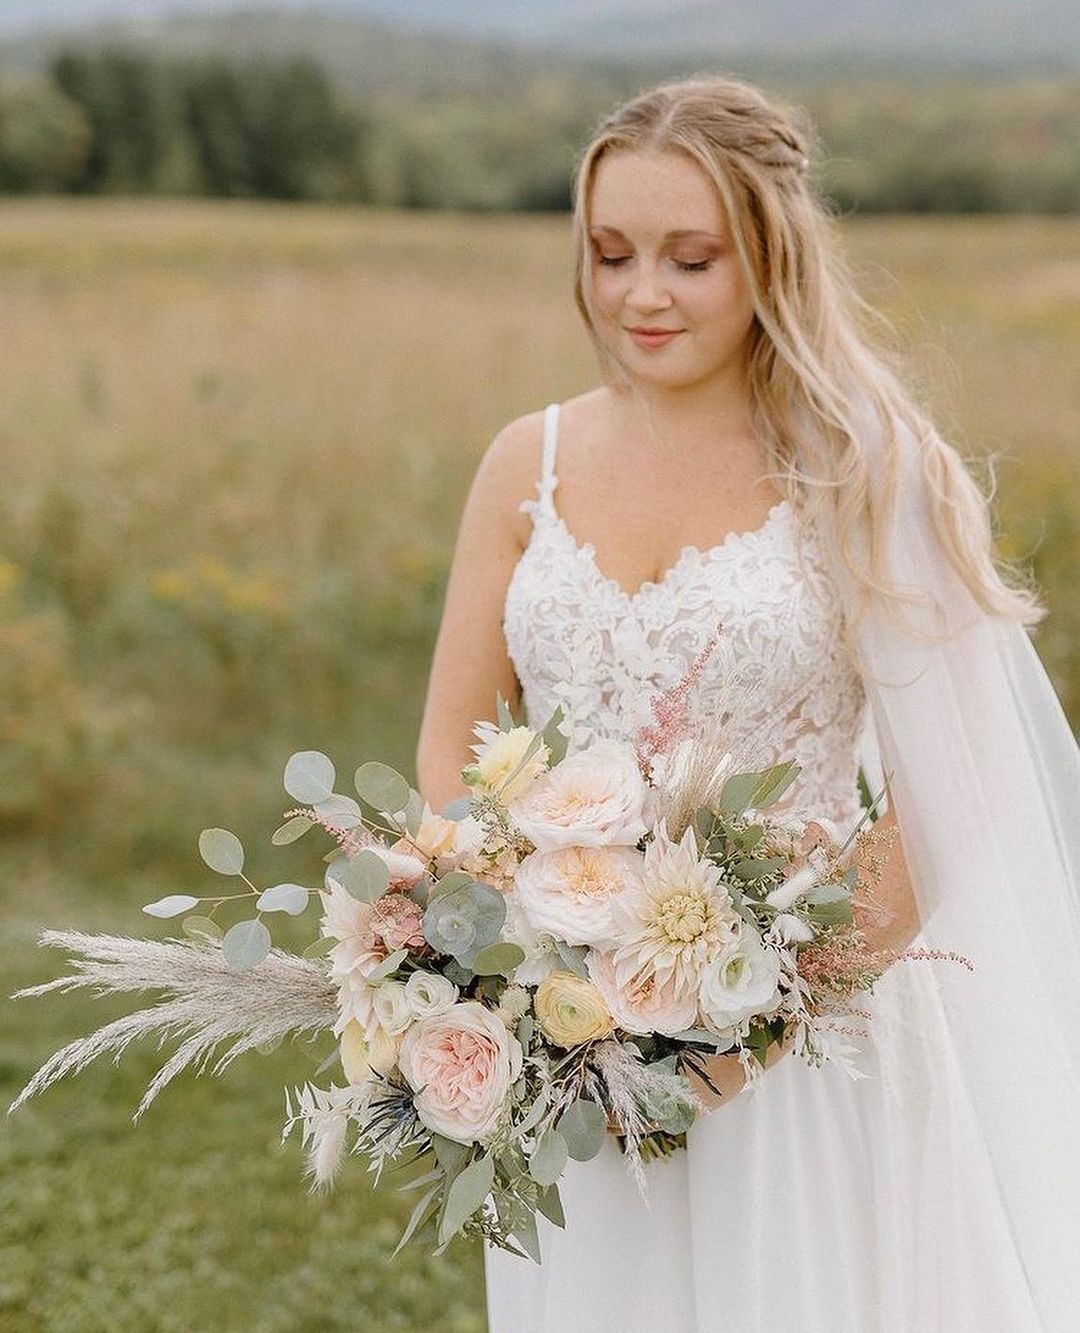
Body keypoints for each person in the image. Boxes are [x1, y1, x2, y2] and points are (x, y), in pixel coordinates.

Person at [416, 74, 1080, 1333]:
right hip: (575, 1049)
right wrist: (508, 969)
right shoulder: (526, 461)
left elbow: (965, 786)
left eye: (689, 258)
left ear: (769, 257)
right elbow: (454, 746)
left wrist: (750, 1023)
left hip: (812, 1052)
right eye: (610, 253)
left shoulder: (871, 473)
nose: (640, 294)